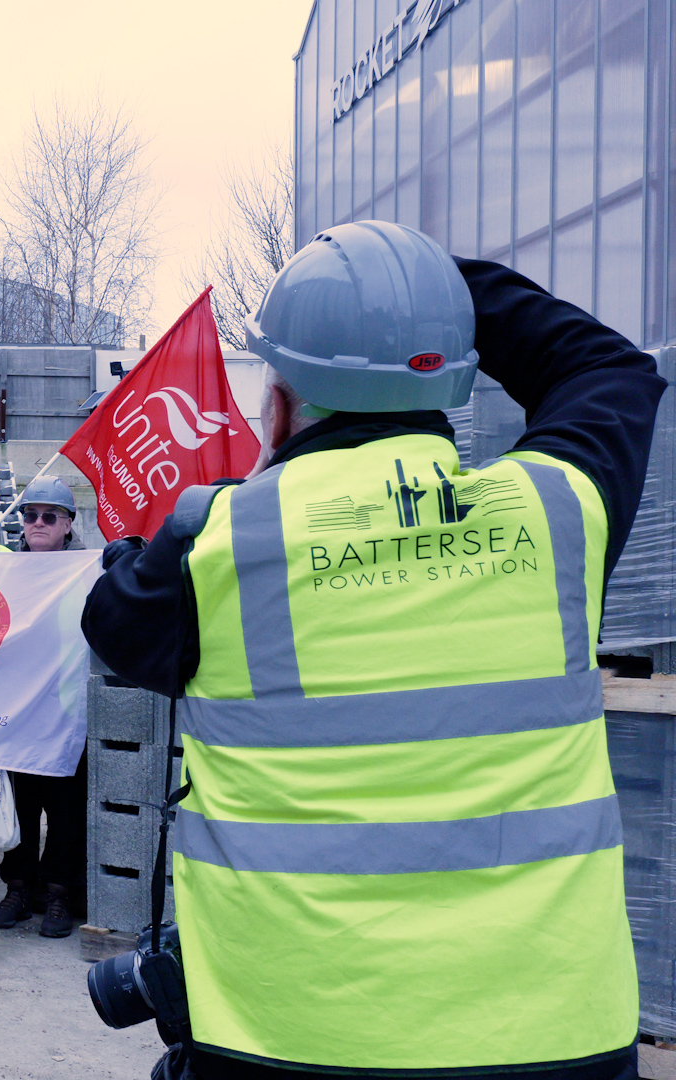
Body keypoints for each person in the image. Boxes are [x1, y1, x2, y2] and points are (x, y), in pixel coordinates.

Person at [82, 221, 661, 1080]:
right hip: (554, 1035)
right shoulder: (555, 514)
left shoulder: (218, 547)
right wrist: (426, 290)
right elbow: (609, 370)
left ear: (277, 406)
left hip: (288, 1035)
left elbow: (114, 622)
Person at [0, 475, 89, 937]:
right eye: (30, 515)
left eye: (50, 516)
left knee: (67, 812)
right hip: (19, 712)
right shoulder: (6, 573)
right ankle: (20, 886)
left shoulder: (91, 569)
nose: (38, 523)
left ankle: (61, 893)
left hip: (69, 713)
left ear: (68, 523)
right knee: (19, 807)